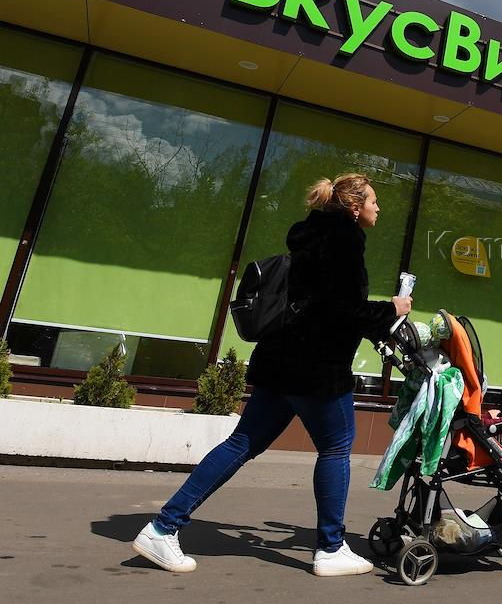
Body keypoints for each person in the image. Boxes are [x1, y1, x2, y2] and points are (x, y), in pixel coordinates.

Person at [132, 174, 412, 576]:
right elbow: (341, 310)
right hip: (317, 367)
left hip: (281, 359)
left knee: (241, 443)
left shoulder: (310, 235)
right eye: (373, 201)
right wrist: (392, 310)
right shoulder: (344, 240)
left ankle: (162, 528)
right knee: (336, 448)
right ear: (354, 208)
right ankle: (331, 548)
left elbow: (321, 302)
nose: (378, 208)